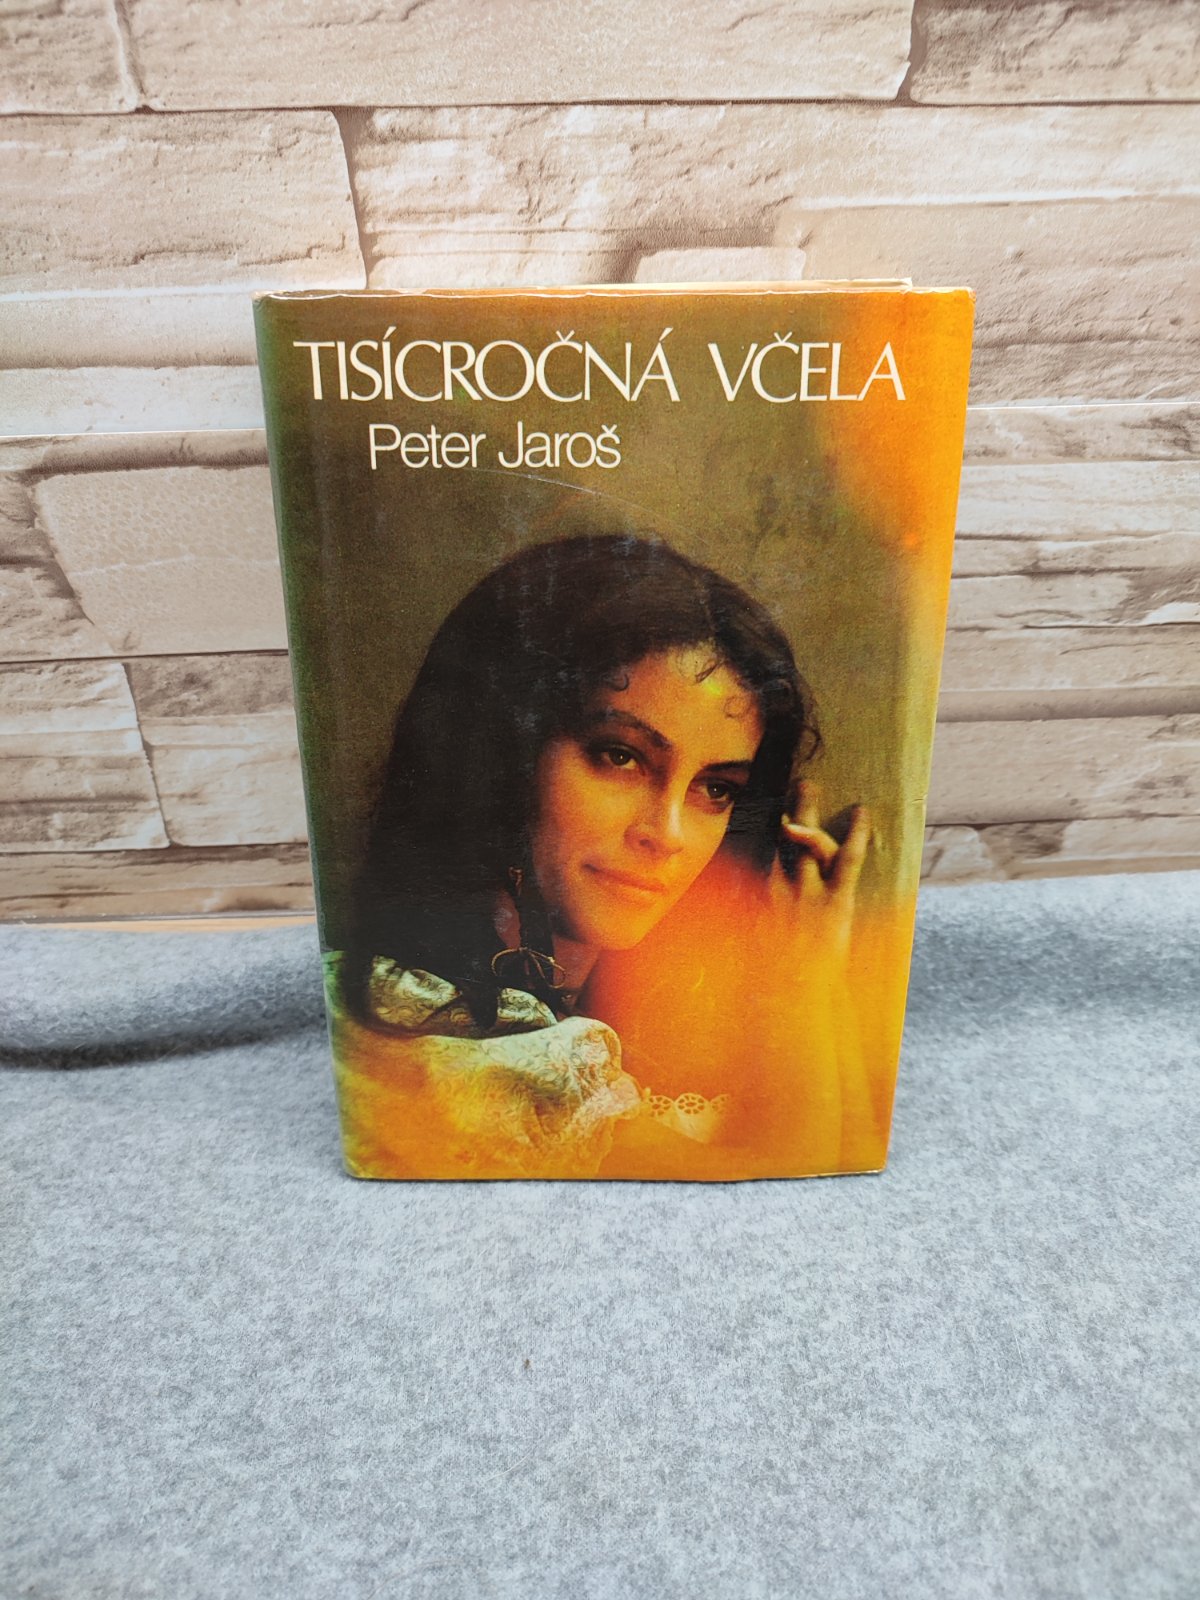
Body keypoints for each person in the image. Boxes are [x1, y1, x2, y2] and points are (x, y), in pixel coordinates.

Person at [328, 534, 873, 1180]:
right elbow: (801, 1197)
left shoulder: (605, 1014)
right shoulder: (439, 1035)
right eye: (621, 756)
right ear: (500, 748)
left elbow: (857, 1160)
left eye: (716, 789)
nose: (667, 833)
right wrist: (806, 979)